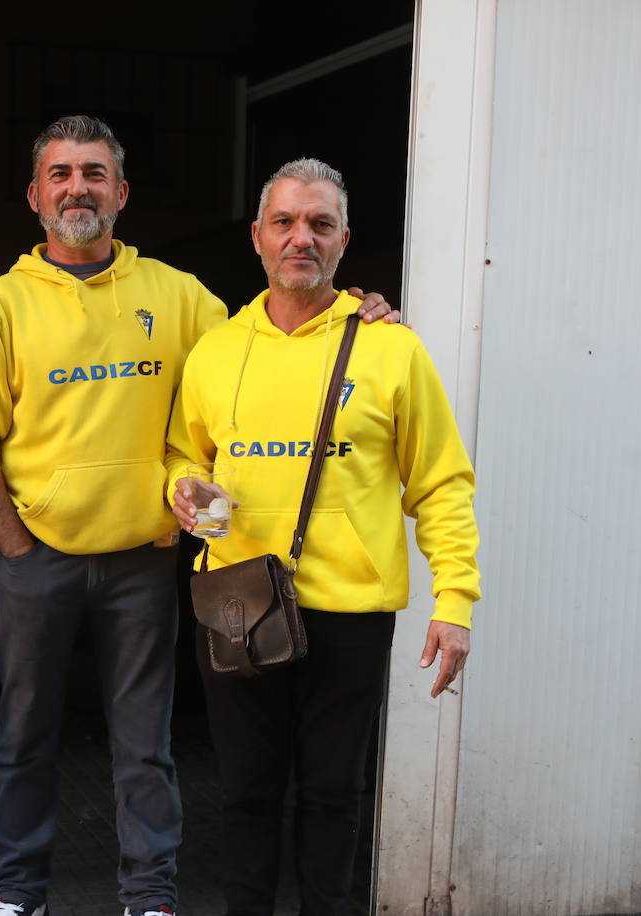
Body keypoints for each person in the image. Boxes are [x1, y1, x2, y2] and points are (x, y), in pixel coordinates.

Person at [0, 117, 397, 916]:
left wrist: (354, 318)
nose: (77, 187)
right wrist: (15, 544)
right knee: (21, 737)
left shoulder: (180, 298)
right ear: (34, 195)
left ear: (122, 192)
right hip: (34, 559)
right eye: (60, 174)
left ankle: (148, 895)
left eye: (94, 173)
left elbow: (264, 353)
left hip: (144, 561)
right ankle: (19, 890)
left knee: (144, 745)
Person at [165, 157, 479, 916]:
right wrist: (184, 493)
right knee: (245, 797)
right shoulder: (215, 349)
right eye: (285, 222)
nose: (300, 238)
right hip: (240, 604)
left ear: (344, 241)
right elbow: (185, 455)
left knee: (334, 800)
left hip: (351, 612)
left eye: (320, 224)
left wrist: (456, 601)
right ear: (258, 238)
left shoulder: (391, 348)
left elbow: (441, 482)